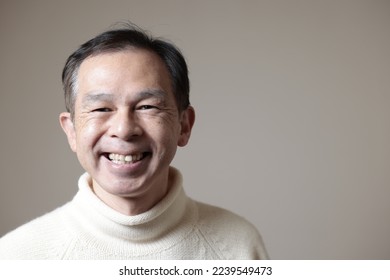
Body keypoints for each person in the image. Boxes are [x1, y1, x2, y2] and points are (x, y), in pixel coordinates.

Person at [0, 24, 268, 259]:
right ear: (71, 130)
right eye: (101, 109)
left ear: (184, 125)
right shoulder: (18, 256)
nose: (124, 129)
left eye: (147, 106)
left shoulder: (238, 247)